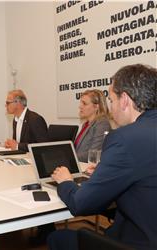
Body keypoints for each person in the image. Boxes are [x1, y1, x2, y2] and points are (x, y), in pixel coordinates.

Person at [48, 64, 157, 250]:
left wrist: (65, 181)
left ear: (124, 100)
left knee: (57, 238)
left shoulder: (124, 139)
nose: (111, 108)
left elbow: (81, 204)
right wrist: (107, 170)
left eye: (112, 100)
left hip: (139, 241)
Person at [5, 89, 53, 244]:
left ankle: (46, 230)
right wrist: (13, 146)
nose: (6, 105)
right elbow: (19, 144)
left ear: (18, 103)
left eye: (8, 102)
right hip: (22, 163)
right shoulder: (16, 119)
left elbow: (43, 145)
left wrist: (18, 145)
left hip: (35, 166)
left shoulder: (35, 119)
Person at [74, 89, 112, 162]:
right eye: (81, 103)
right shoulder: (86, 124)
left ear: (96, 107)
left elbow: (94, 154)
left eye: (84, 104)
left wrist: (69, 157)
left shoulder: (102, 124)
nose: (80, 106)